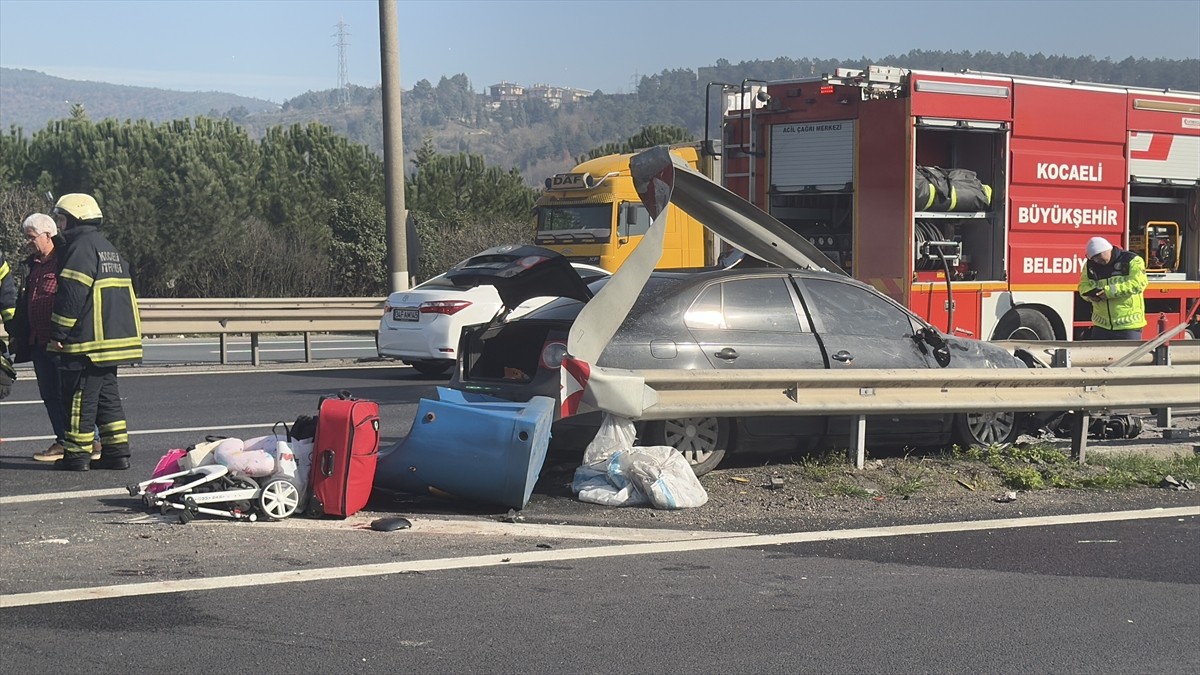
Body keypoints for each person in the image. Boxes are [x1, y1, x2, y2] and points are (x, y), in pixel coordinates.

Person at [48, 193, 143, 471]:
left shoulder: (80, 248)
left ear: (75, 219)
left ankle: (76, 455)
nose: (60, 226)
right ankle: (116, 452)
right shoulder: (106, 247)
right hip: (114, 340)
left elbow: (71, 295)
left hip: (89, 342)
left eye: (62, 219)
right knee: (107, 397)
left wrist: (58, 332)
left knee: (80, 397)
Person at [9, 214, 103, 461]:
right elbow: (23, 301)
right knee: (50, 394)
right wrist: (18, 333)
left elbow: (74, 297)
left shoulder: (65, 260)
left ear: (48, 235)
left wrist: (65, 333)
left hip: (63, 340)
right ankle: (63, 440)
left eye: (31, 237)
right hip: (38, 340)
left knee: (71, 393)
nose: (28, 242)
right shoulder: (31, 265)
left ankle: (90, 441)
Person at [1078, 236, 1148, 340]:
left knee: (1129, 356)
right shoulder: (1090, 265)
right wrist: (1090, 296)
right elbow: (1083, 286)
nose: (1097, 260)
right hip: (1101, 326)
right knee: (1099, 357)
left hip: (1128, 326)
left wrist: (1109, 292)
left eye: (1098, 256)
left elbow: (1138, 284)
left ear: (1107, 249)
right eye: (1093, 258)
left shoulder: (1132, 260)